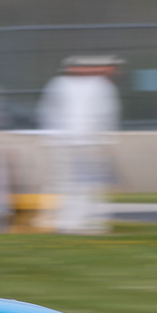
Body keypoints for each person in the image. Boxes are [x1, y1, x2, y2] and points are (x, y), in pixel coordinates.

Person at [36, 55, 122, 234]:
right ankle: (67, 222)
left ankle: (91, 222)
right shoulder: (59, 84)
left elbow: (107, 116)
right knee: (65, 185)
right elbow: (48, 111)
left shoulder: (101, 86)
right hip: (65, 143)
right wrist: (52, 138)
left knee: (90, 186)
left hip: (90, 143)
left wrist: (107, 142)